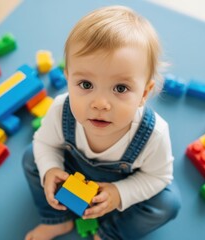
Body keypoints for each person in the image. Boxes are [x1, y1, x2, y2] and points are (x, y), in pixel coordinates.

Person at [22, 5, 181, 240]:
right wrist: (51, 170)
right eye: (85, 85)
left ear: (144, 93)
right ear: (68, 79)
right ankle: (57, 219)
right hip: (72, 172)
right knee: (31, 159)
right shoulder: (60, 110)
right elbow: (44, 144)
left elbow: (158, 177)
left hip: (125, 181)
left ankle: (109, 233)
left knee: (168, 203)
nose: (100, 104)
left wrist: (120, 193)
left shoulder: (154, 134)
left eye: (120, 88)